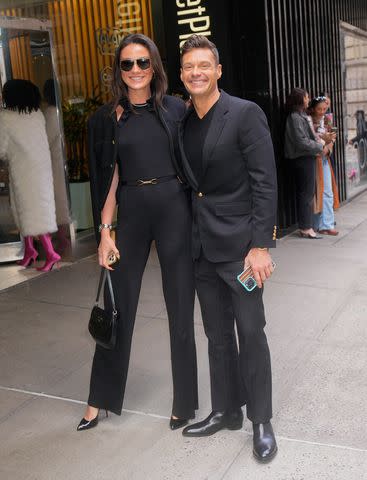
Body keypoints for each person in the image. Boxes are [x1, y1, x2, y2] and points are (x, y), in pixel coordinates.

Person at [77, 34, 198, 431]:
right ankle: (100, 398)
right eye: (126, 64)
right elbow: (110, 179)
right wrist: (105, 233)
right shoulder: (108, 117)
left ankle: (185, 402)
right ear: (118, 70)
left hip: (173, 208)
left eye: (142, 63)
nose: (134, 71)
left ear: (154, 66)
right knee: (117, 304)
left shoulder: (177, 110)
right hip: (129, 209)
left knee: (180, 305)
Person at [178, 34, 278, 462]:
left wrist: (260, 244)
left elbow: (264, 182)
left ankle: (260, 420)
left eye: (204, 65)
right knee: (217, 336)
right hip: (201, 247)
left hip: (240, 250)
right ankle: (225, 410)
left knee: (251, 334)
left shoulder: (244, 114)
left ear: (218, 70)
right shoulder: (183, 122)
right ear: (182, 75)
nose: (196, 72)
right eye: (188, 67)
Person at [0, 79, 61, 271]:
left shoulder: (5, 118)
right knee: (32, 209)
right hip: (41, 169)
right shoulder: (36, 114)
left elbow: (1, 149)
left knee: (29, 211)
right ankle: (29, 251)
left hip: (22, 171)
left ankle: (51, 253)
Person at [284, 88, 333, 239]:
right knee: (306, 193)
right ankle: (306, 227)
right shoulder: (295, 117)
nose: (308, 99)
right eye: (306, 97)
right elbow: (301, 141)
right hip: (302, 158)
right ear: (300, 99)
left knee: (308, 193)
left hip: (306, 157)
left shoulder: (300, 116)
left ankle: (307, 226)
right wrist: (320, 145)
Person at [43, 79, 71, 251]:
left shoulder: (50, 114)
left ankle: (61, 236)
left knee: (57, 199)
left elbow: (46, 140)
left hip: (53, 162)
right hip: (60, 161)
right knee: (61, 198)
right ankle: (62, 235)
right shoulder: (59, 111)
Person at [308, 96, 339, 235]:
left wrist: (328, 148)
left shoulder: (327, 119)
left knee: (327, 191)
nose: (322, 111)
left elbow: (332, 137)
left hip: (324, 158)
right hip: (313, 159)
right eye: (319, 109)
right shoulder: (308, 120)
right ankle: (315, 224)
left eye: (324, 109)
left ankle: (327, 224)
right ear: (313, 108)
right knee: (315, 192)